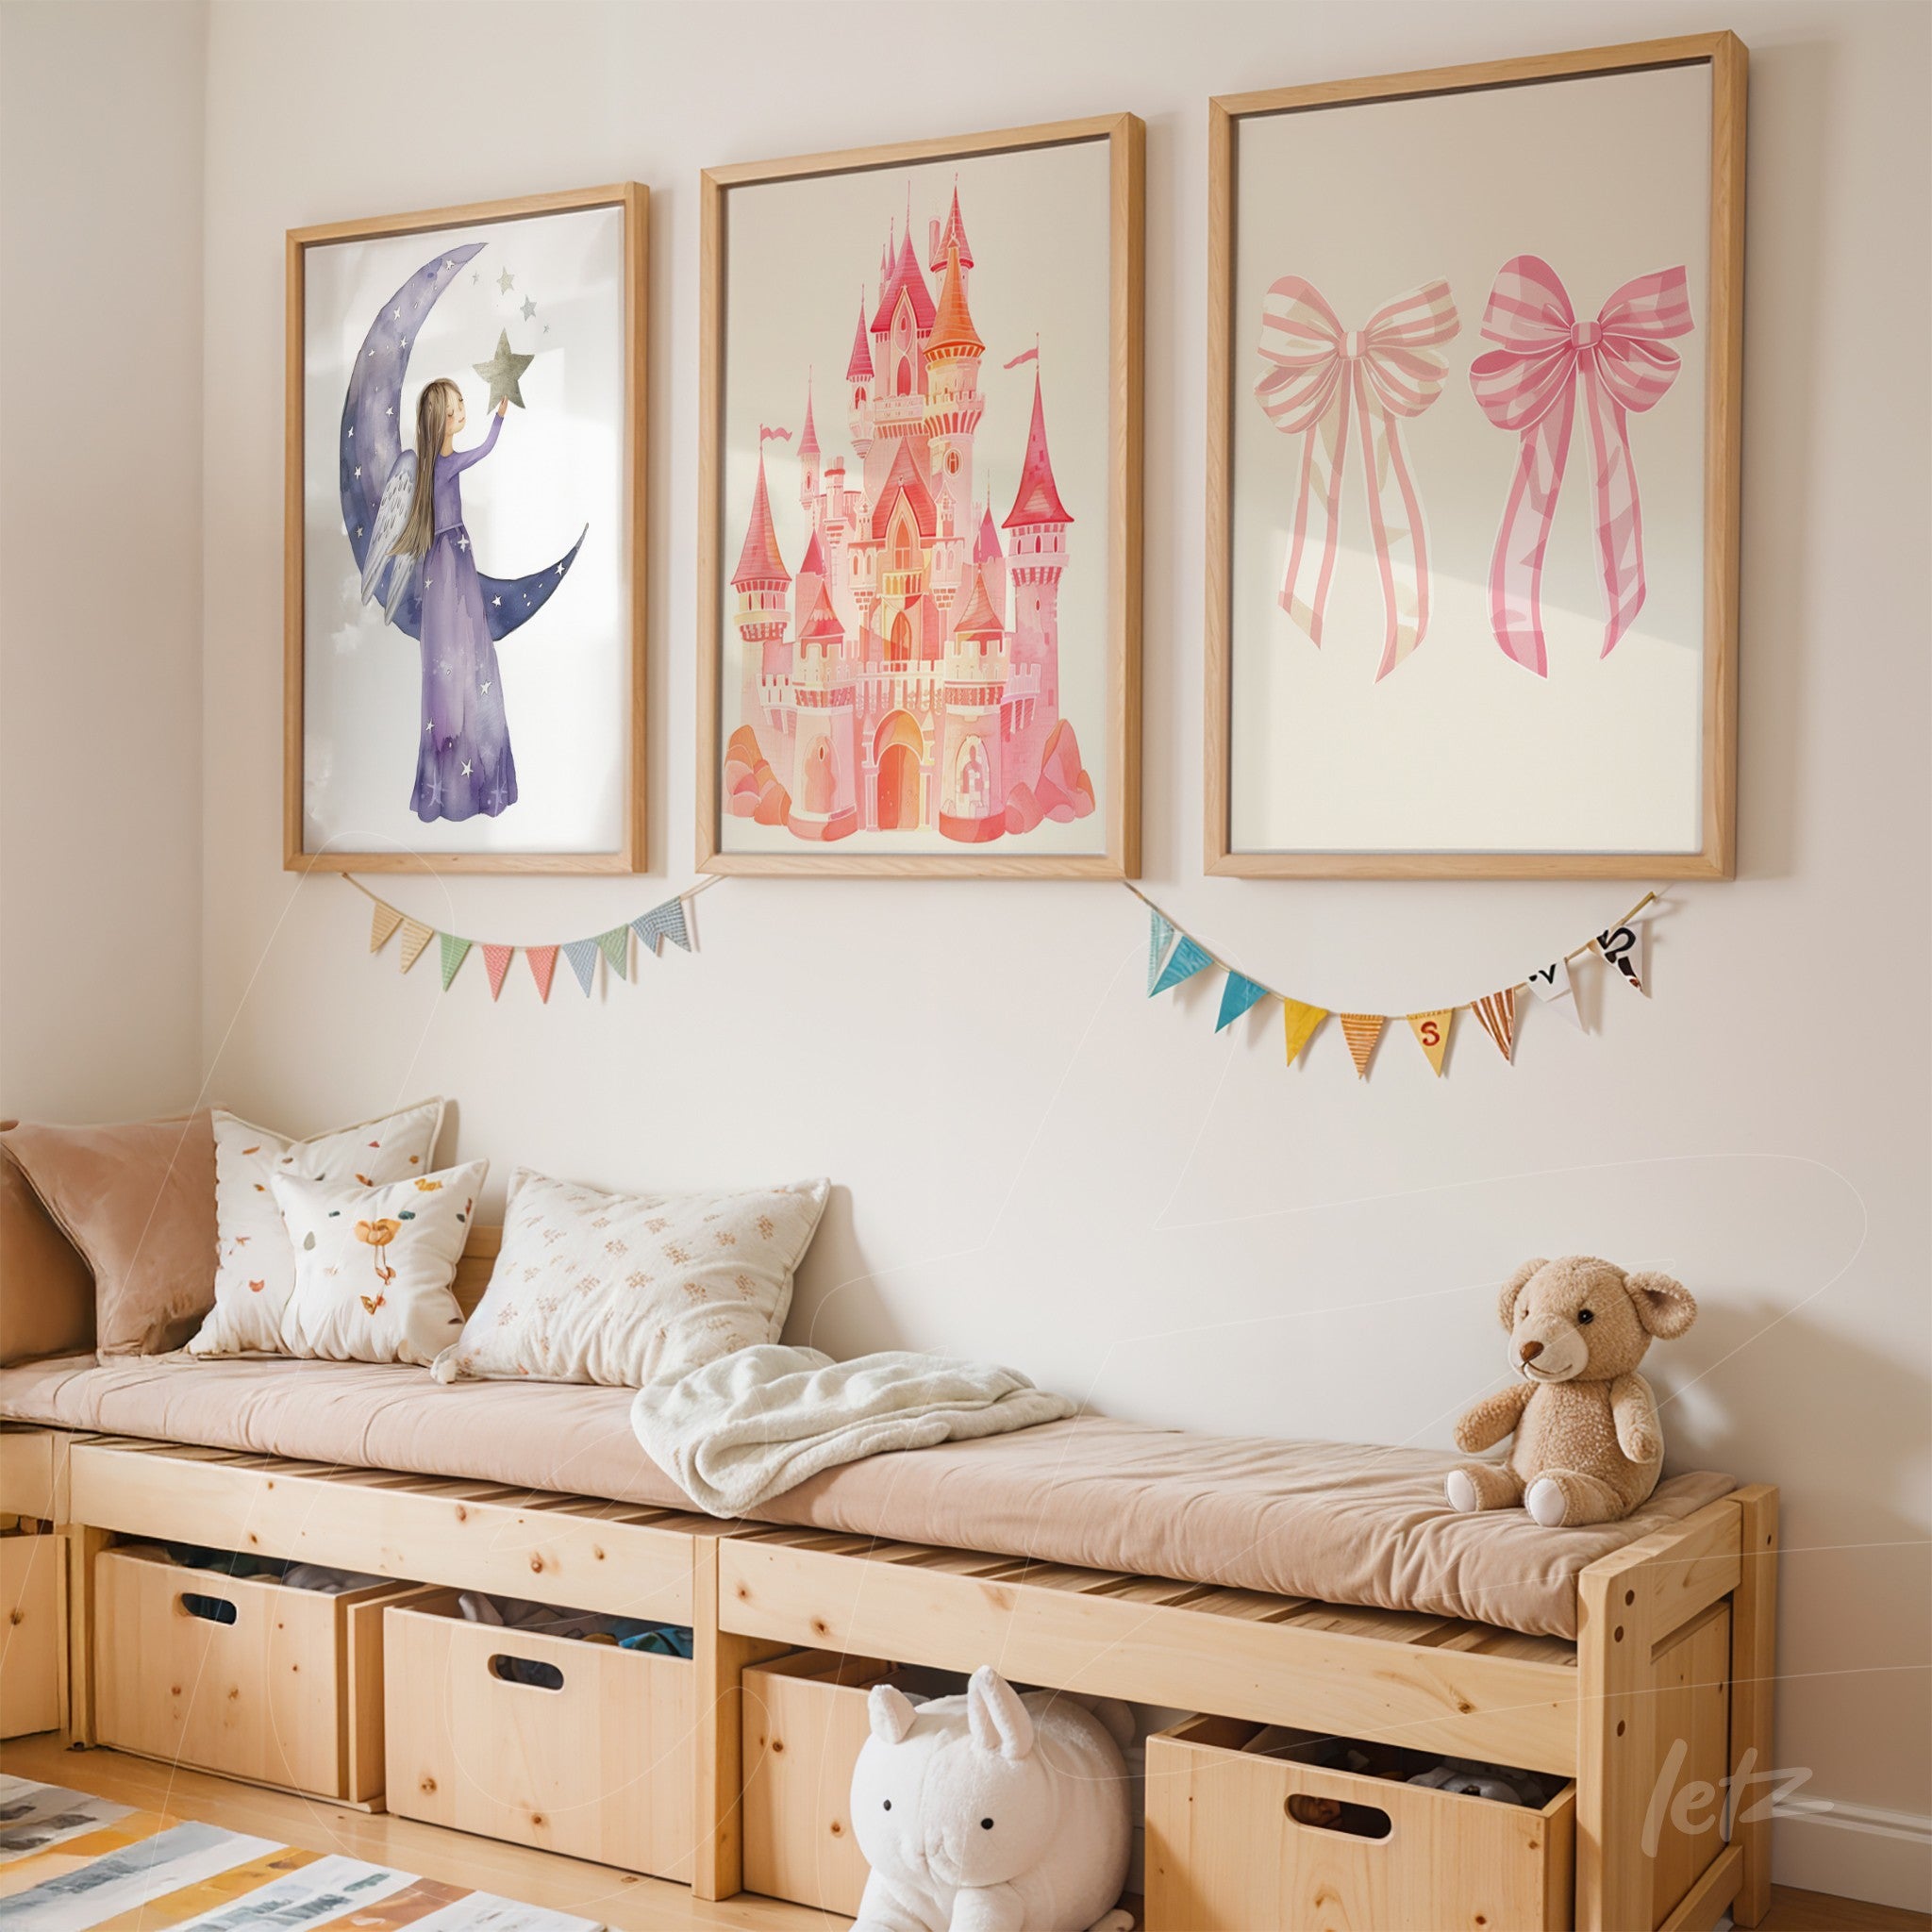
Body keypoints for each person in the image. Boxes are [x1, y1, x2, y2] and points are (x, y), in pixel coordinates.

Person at [395, 379, 517, 822]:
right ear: (438, 421)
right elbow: (483, 449)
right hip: (449, 562)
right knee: (458, 658)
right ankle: (461, 777)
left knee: (460, 657)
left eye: (461, 404)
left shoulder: (435, 466)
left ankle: (467, 776)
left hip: (447, 561)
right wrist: (499, 418)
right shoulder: (441, 466)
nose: (461, 412)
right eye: (453, 409)